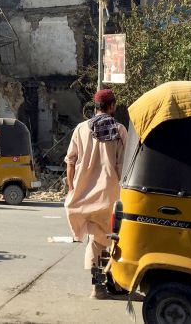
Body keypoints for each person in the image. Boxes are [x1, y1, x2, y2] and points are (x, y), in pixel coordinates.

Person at [64, 89, 128, 300]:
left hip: (86, 196)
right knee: (116, 241)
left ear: (96, 106)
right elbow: (124, 166)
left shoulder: (81, 129)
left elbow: (70, 161)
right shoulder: (119, 131)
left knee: (96, 241)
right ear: (111, 106)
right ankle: (114, 283)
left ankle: (98, 286)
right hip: (112, 195)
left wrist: (73, 188)